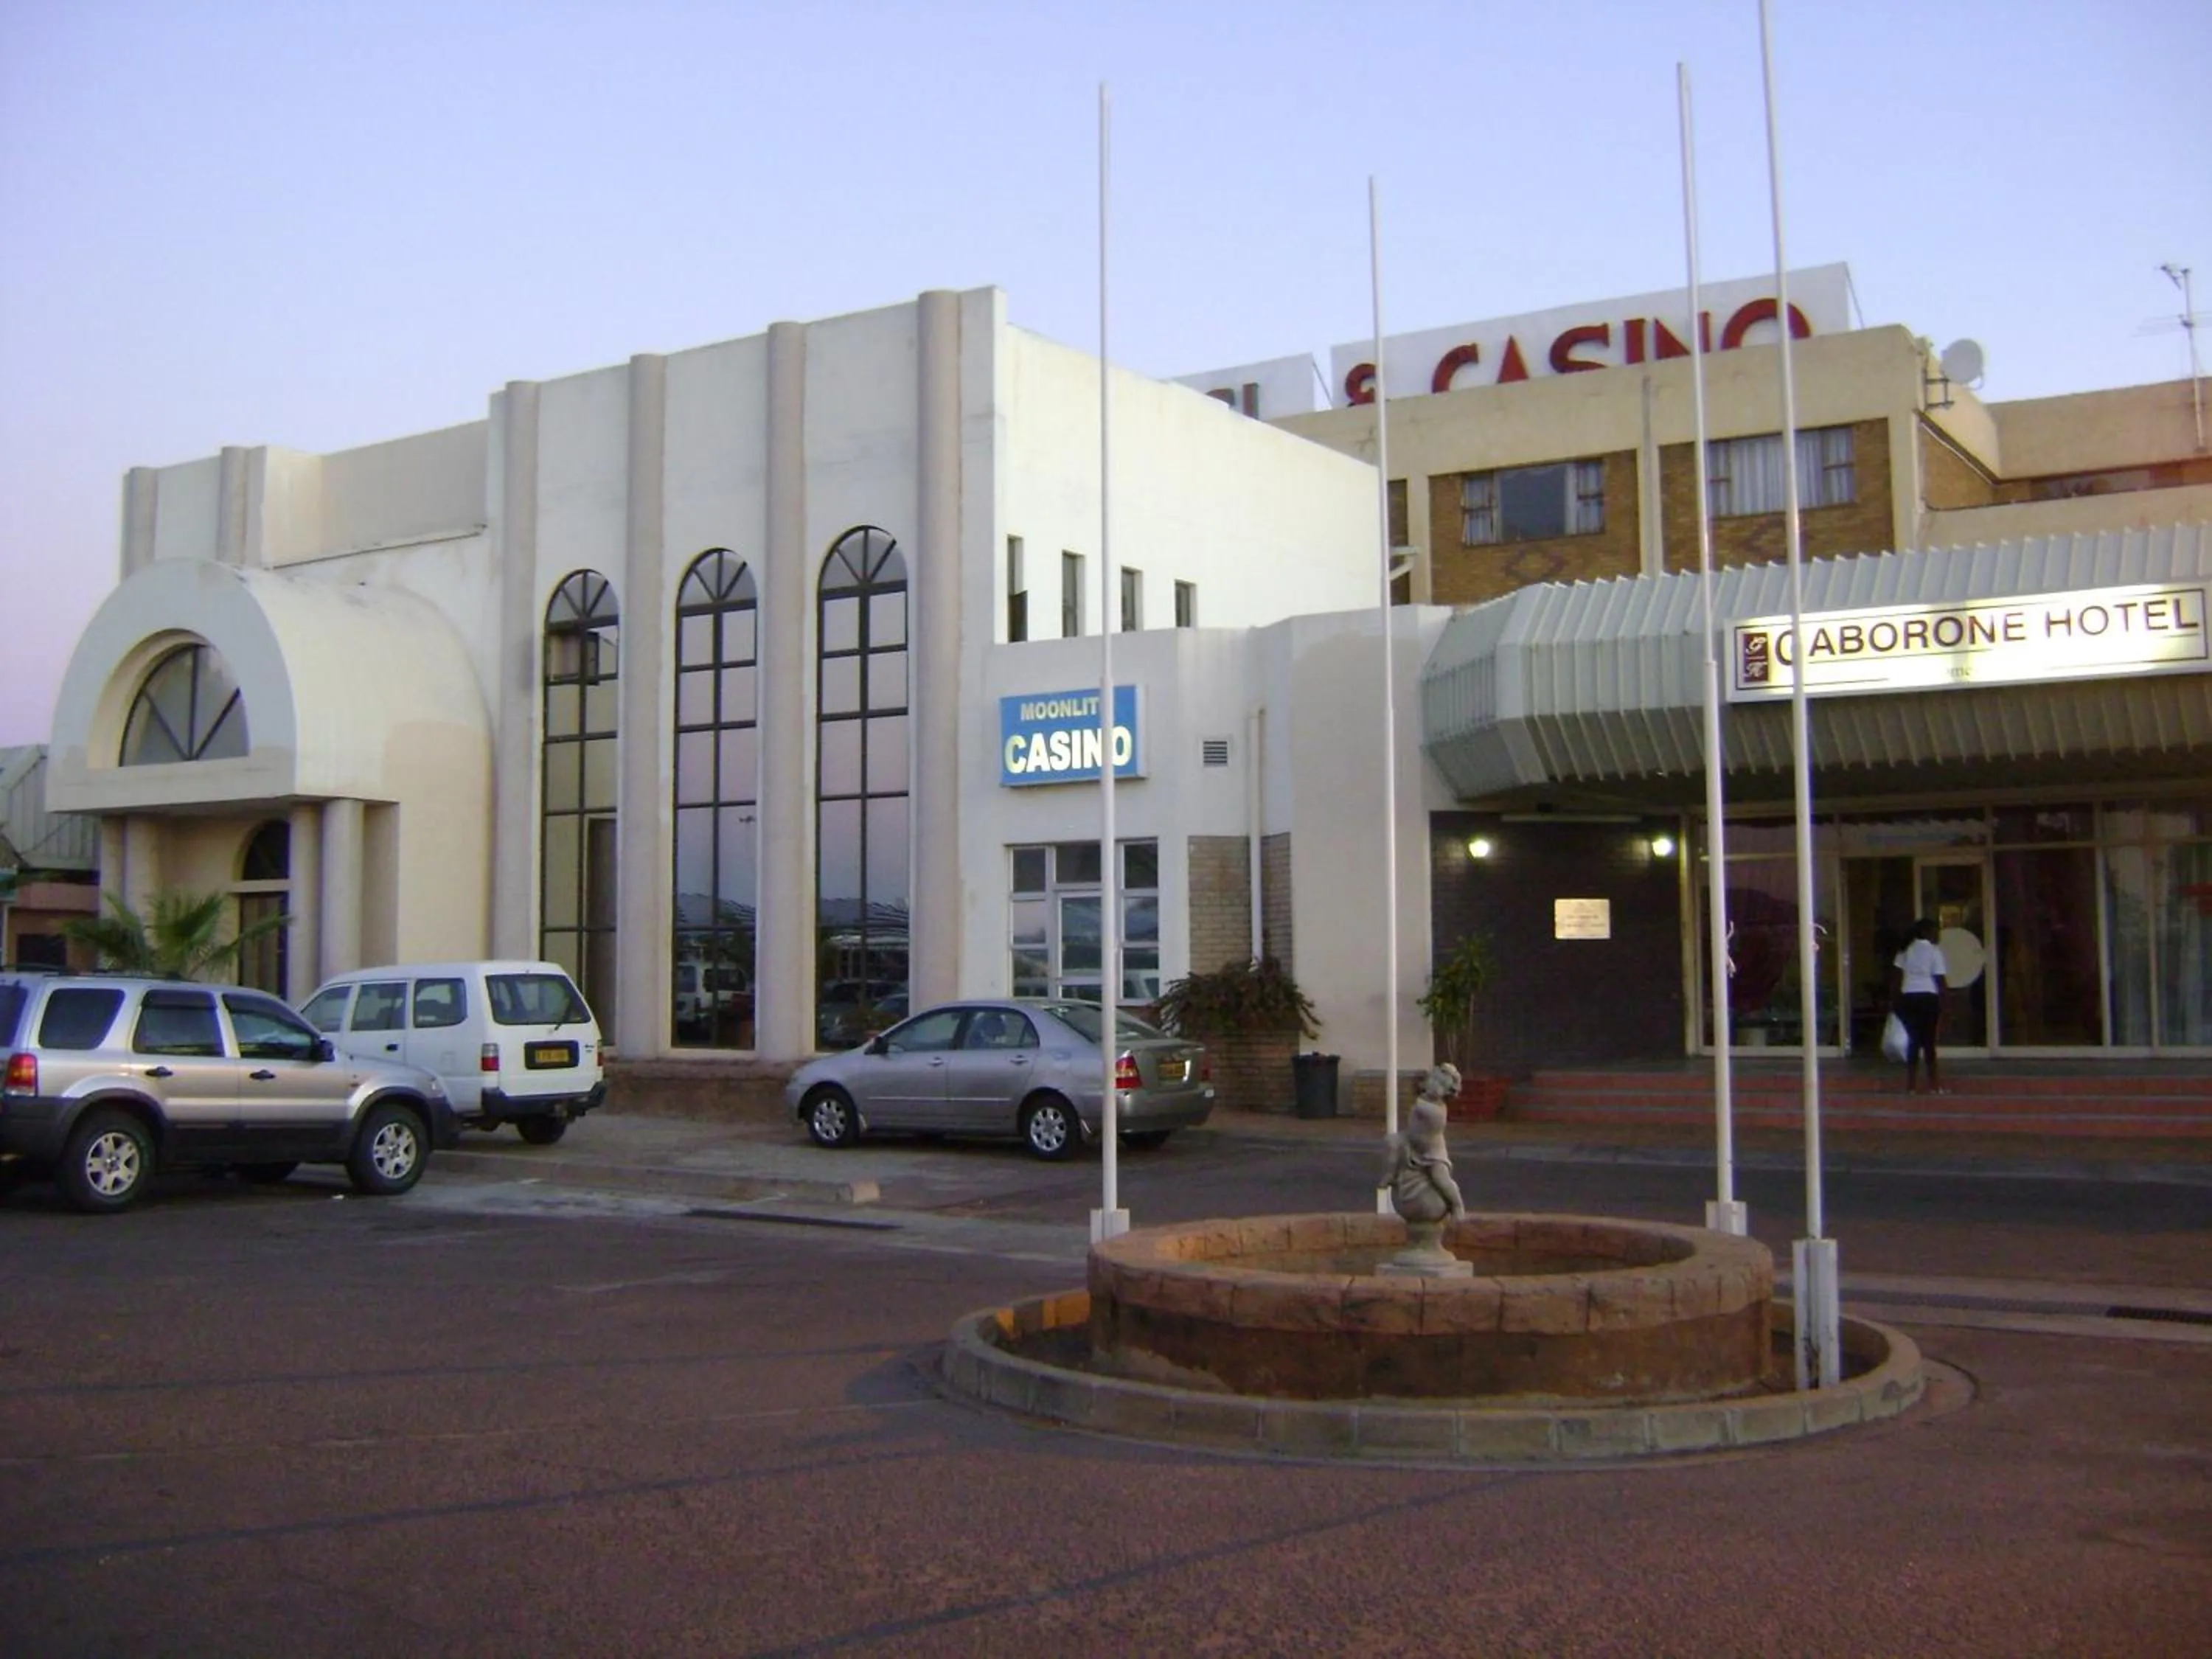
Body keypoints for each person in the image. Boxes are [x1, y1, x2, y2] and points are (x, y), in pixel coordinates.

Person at [1891, 917, 1950, 1095]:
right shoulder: (1934, 951)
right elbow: (1940, 979)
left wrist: (1895, 1001)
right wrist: (1946, 1003)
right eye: (1935, 931)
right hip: (1928, 998)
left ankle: (1911, 1085)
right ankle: (1934, 1085)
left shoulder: (1905, 950)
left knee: (1913, 1042)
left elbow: (1896, 977)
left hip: (1908, 997)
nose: (1937, 935)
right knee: (1929, 1043)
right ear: (1927, 932)